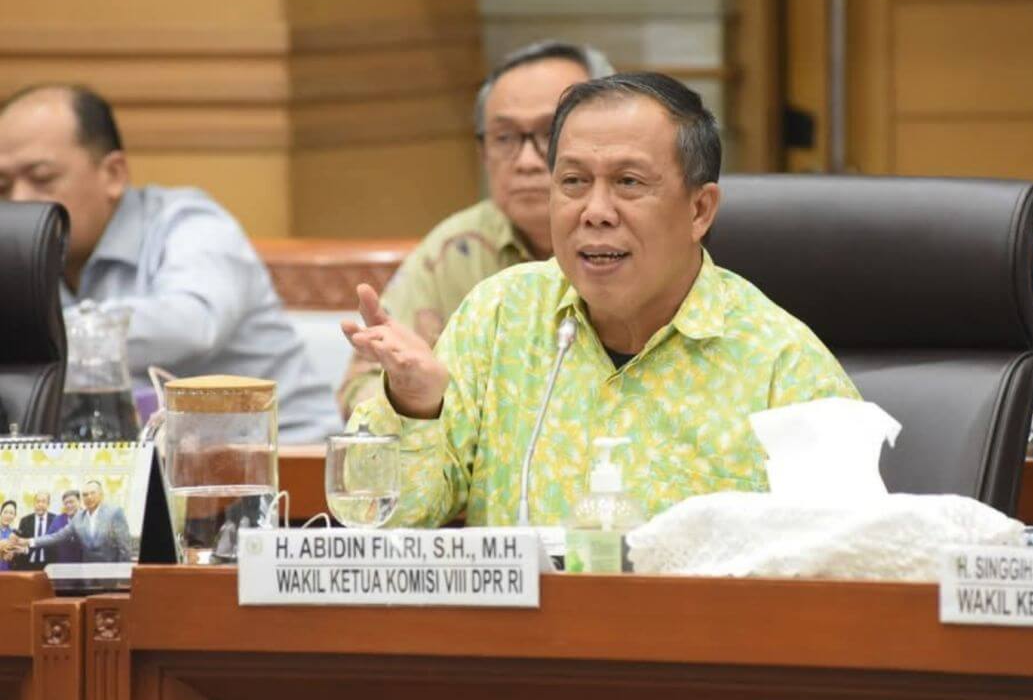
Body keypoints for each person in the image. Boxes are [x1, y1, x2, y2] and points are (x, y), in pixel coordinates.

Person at [342, 72, 859, 528]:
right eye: (573, 182)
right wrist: (415, 406)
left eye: (628, 182)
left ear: (699, 210)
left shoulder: (783, 365)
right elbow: (382, 522)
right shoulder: (499, 316)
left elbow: (845, 559)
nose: (595, 211)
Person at [0, 85, 341, 443]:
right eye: (3, 186)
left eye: (42, 178)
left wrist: (35, 332)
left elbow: (194, 324)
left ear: (113, 174)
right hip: (136, 466)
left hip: (285, 457)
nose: (19, 200)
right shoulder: (20, 256)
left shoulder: (190, 224)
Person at [337, 40, 614, 417]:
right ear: (483, 153)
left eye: (550, 134)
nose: (527, 161)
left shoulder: (642, 241)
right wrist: (414, 398)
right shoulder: (455, 250)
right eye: (505, 138)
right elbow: (361, 389)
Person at [9, 480, 131, 563]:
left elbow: (124, 548)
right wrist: (27, 541)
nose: (89, 497)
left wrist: (123, 573)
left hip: (110, 573)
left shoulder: (114, 513)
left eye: (92, 493)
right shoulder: (79, 518)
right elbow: (55, 537)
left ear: (101, 494)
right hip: (87, 575)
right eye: (85, 495)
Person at [13, 491, 55, 571]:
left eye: (43, 501)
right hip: (27, 564)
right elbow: (20, 544)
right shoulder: (25, 520)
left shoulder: (55, 520)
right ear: (34, 504)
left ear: (48, 504)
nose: (40, 504)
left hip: (49, 566)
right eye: (38, 501)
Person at [47, 490, 83, 564]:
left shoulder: (88, 517)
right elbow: (48, 539)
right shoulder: (58, 519)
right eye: (66, 503)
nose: (68, 505)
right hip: (63, 565)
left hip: (85, 565)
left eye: (71, 502)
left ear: (79, 502)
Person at [0, 501, 17, 571]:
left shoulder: (15, 534)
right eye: (5, 512)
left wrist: (13, 553)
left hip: (8, 573)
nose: (8, 516)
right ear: (1, 513)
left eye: (11, 513)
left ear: (14, 516)